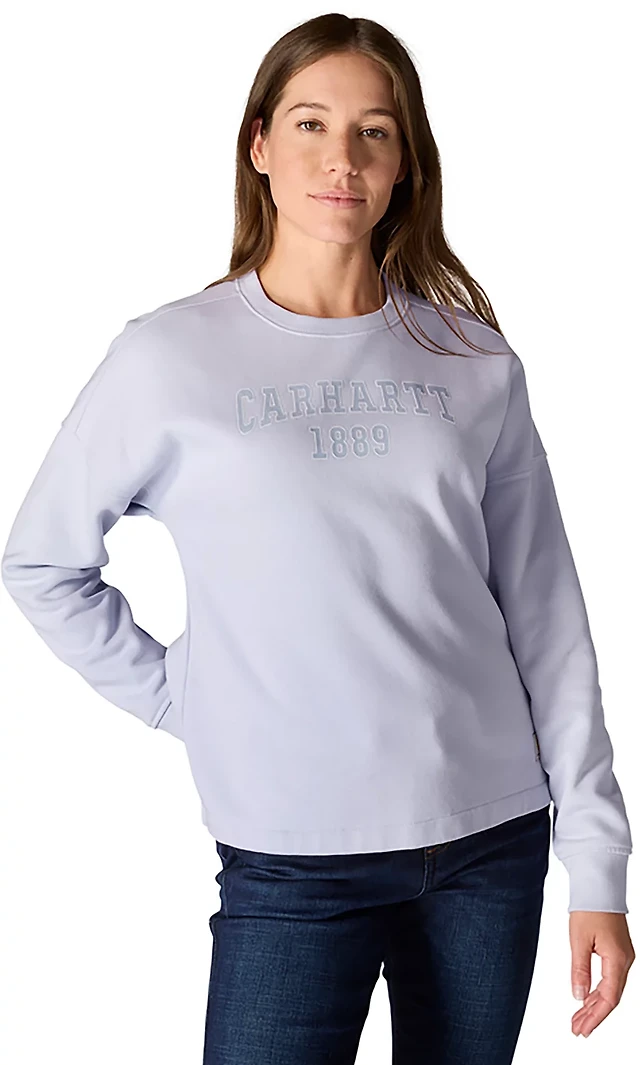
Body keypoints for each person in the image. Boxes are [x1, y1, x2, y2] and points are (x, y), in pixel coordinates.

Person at [1, 12, 634, 1064]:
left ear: (405, 163)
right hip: (292, 855)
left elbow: (548, 619)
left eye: (374, 131)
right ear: (258, 145)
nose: (342, 158)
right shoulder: (168, 359)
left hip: (492, 843)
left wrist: (599, 864)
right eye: (310, 124)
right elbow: (42, 561)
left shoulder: (472, 359)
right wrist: (181, 697)